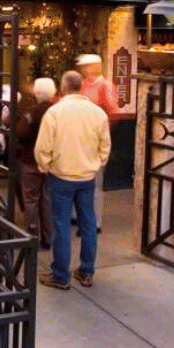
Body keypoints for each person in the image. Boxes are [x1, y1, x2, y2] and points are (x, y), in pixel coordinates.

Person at [34, 70, 110, 290]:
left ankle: (60, 274)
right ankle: (86, 271)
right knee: (88, 225)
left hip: (61, 176)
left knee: (61, 226)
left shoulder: (54, 113)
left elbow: (42, 147)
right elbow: (105, 146)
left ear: (63, 86)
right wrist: (97, 163)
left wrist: (45, 165)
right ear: (81, 86)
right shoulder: (98, 114)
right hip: (87, 177)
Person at [76, 53, 117, 232]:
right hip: (80, 136)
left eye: (85, 66)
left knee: (94, 180)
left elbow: (113, 110)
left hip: (96, 138)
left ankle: (94, 221)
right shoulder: (84, 84)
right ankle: (77, 216)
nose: (82, 70)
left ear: (94, 66)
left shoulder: (104, 86)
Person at [16, 77, 56, 249]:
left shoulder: (32, 112)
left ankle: (32, 236)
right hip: (51, 161)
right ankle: (48, 238)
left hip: (30, 160)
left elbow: (20, 133)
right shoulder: (57, 111)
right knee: (47, 199)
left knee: (31, 199)